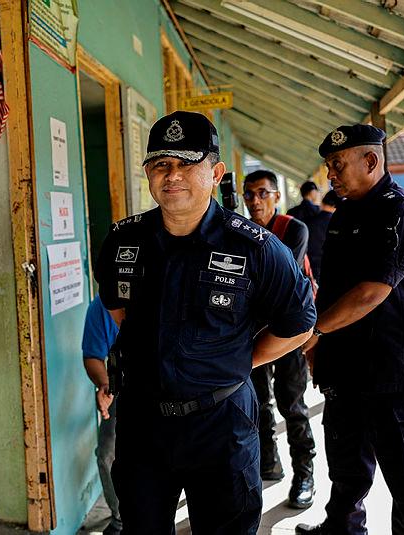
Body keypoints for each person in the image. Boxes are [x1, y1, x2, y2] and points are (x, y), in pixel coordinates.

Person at [94, 111, 316, 534]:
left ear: (215, 172)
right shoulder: (124, 240)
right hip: (144, 426)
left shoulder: (255, 247)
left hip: (221, 426)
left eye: (186, 163)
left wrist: (239, 360)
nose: (171, 175)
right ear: (148, 173)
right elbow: (119, 308)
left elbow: (299, 323)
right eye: (161, 164)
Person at [296, 125, 404, 535]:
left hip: (396, 373)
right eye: (329, 166)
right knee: (347, 474)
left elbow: (370, 293)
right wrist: (319, 350)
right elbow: (333, 287)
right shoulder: (344, 215)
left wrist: (314, 333)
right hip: (346, 372)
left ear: (371, 161)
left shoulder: (403, 210)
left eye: (338, 165)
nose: (331, 175)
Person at [243, 170, 316, 509]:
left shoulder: (293, 228)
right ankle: (268, 464)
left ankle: (305, 473)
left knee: (293, 404)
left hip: (288, 334)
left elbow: (279, 278)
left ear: (275, 196)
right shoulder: (239, 233)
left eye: (262, 193)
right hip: (254, 334)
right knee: (257, 405)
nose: (255, 201)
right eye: (249, 195)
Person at [82, 294, 121, 535]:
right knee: (107, 453)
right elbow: (93, 356)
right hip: (123, 388)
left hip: (179, 388)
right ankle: (120, 518)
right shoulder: (103, 305)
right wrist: (105, 386)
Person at [305, 190, 339, 281]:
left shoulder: (308, 222)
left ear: (323, 202)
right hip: (333, 272)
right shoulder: (339, 224)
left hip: (311, 271)